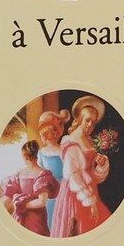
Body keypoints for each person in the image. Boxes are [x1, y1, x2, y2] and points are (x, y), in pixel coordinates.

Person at [50, 95, 111, 237]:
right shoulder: (71, 142)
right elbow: (74, 174)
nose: (90, 125)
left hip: (91, 190)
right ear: (79, 119)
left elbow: (92, 174)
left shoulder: (89, 140)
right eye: (87, 120)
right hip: (76, 192)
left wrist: (100, 164)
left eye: (93, 122)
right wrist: (89, 201)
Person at [0, 140, 59, 237]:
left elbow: (42, 202)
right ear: (36, 154)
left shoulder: (39, 175)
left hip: (34, 217)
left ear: (24, 156)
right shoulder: (39, 174)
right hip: (23, 216)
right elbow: (8, 196)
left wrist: (21, 204)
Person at [36, 110, 70, 231]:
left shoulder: (63, 150)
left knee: (63, 221)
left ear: (56, 132)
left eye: (52, 130)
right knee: (50, 220)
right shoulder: (41, 153)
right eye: (45, 132)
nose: (49, 134)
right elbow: (39, 174)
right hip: (49, 193)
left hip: (65, 190)